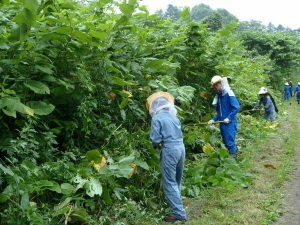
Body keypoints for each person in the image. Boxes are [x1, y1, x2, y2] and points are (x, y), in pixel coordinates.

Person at [146, 92, 186, 223]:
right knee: (177, 180)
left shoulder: (157, 119)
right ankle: (177, 209)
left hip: (170, 150)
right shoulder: (174, 117)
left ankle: (178, 213)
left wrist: (155, 145)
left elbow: (155, 139)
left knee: (169, 182)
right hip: (181, 148)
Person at [208, 76, 240, 160]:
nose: (215, 87)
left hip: (230, 122)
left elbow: (236, 107)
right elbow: (219, 112)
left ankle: (233, 161)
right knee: (226, 141)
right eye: (214, 86)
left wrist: (229, 118)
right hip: (222, 123)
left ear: (221, 83)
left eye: (216, 85)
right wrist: (213, 119)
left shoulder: (229, 93)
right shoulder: (219, 97)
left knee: (230, 141)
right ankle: (231, 157)